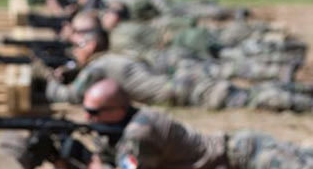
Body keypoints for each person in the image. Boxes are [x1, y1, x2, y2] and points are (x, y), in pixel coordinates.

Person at [68, 79, 313, 169]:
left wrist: (94, 168)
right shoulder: (133, 122)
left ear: (118, 110)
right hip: (239, 148)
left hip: (243, 159)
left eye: (94, 111)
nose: (88, 117)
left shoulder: (139, 133)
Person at [45, 48, 313, 112]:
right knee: (249, 92)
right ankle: (303, 90)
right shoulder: (115, 56)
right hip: (181, 80)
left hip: (179, 90)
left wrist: (46, 80)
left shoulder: (98, 68)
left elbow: (70, 97)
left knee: (252, 97)